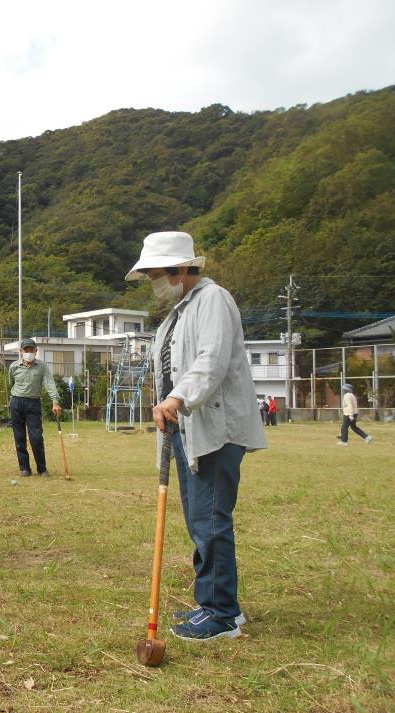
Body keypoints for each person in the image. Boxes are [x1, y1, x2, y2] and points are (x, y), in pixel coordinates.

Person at [126, 231, 266, 641]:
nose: (152, 280)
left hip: (216, 428)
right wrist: (170, 402)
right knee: (198, 519)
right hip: (187, 428)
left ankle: (222, 613)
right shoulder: (177, 312)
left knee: (211, 519)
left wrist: (177, 397)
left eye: (155, 272)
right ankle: (216, 604)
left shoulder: (213, 300)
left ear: (180, 268)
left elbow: (212, 359)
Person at [8, 338, 62, 477]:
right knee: (19, 437)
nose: (29, 352)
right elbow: (10, 383)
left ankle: (42, 468)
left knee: (36, 437)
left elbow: (49, 383)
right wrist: (14, 398)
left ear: (36, 351)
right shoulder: (14, 366)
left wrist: (55, 401)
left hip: (33, 403)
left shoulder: (42, 366)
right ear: (21, 351)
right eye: (26, 350)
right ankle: (25, 468)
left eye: (31, 349)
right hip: (16, 402)